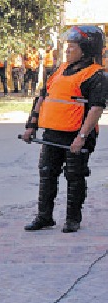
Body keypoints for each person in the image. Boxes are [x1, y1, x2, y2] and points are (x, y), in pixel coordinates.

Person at [22, 26, 106, 233]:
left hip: (76, 134)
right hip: (52, 132)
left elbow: (96, 109)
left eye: (73, 47)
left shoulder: (96, 75)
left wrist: (82, 137)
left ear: (86, 50)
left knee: (74, 176)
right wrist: (31, 125)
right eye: (67, 46)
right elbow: (42, 97)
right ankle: (44, 217)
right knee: (46, 173)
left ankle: (72, 219)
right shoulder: (59, 70)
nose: (67, 50)